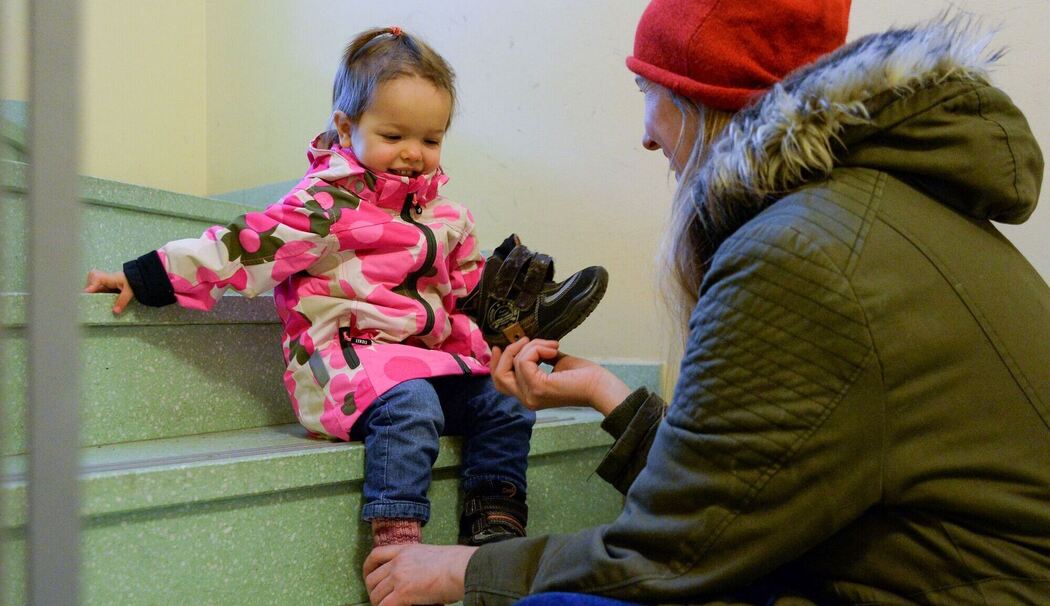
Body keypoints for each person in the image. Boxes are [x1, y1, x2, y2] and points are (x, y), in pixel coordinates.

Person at [362, 0, 1050, 604]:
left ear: (703, 97)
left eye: (648, 90)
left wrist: (464, 568)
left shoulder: (797, 254)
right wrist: (609, 394)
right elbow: (756, 487)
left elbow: (673, 553)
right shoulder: (865, 218)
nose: (646, 132)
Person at [83, 26, 608, 554]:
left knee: (505, 398)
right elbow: (243, 249)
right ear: (346, 125)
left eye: (430, 140)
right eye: (394, 136)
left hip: (427, 359)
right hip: (346, 367)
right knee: (412, 405)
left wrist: (498, 326)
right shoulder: (324, 207)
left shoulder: (449, 217)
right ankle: (397, 543)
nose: (413, 154)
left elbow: (463, 290)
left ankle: (495, 517)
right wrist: (146, 276)